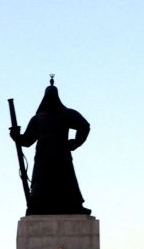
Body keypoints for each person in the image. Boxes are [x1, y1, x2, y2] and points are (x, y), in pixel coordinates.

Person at [10, 77, 91, 215]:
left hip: (60, 154)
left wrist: (75, 143)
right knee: (42, 182)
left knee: (66, 180)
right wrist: (16, 136)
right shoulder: (38, 118)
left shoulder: (65, 113)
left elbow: (84, 126)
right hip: (44, 156)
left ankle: (72, 206)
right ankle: (37, 206)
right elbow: (27, 141)